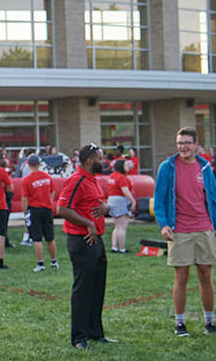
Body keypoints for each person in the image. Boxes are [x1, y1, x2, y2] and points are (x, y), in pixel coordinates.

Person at [154, 127, 216, 337]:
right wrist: (164, 224)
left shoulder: (205, 167)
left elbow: (214, 198)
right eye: (179, 143)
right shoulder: (168, 167)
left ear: (196, 145)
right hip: (180, 230)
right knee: (181, 277)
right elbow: (159, 200)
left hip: (204, 228)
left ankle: (210, 322)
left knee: (206, 276)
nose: (182, 147)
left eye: (187, 143)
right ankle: (180, 323)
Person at [57, 145, 113, 349]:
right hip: (81, 241)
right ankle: (79, 338)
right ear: (89, 160)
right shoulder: (76, 180)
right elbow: (62, 209)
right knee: (83, 289)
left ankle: (95, 332)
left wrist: (106, 208)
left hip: (96, 239)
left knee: (98, 287)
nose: (103, 161)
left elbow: (94, 204)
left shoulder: (93, 180)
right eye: (100, 158)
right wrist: (88, 224)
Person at [21, 154, 58, 271]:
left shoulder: (27, 180)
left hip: (34, 209)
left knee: (37, 238)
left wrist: (25, 212)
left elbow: (24, 198)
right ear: (39, 164)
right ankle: (54, 262)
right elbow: (53, 191)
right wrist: (49, 202)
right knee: (50, 237)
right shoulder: (47, 177)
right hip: (47, 209)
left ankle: (41, 264)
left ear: (28, 165)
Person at [105, 159, 136, 254]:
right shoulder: (121, 177)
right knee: (122, 226)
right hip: (120, 200)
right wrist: (133, 201)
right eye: (125, 165)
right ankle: (122, 249)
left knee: (117, 226)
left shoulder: (112, 176)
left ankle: (114, 247)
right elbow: (125, 191)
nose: (127, 167)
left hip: (112, 200)